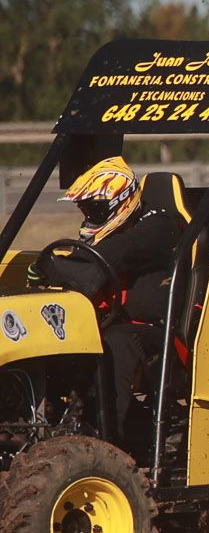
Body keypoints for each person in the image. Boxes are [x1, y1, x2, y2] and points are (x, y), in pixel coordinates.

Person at [33, 157, 190, 444]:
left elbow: (117, 253)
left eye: (95, 208)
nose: (89, 216)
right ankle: (47, 425)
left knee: (113, 341)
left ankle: (104, 444)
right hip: (116, 325)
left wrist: (64, 267)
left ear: (121, 203)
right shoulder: (117, 234)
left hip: (162, 336)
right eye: (85, 209)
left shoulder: (159, 227)